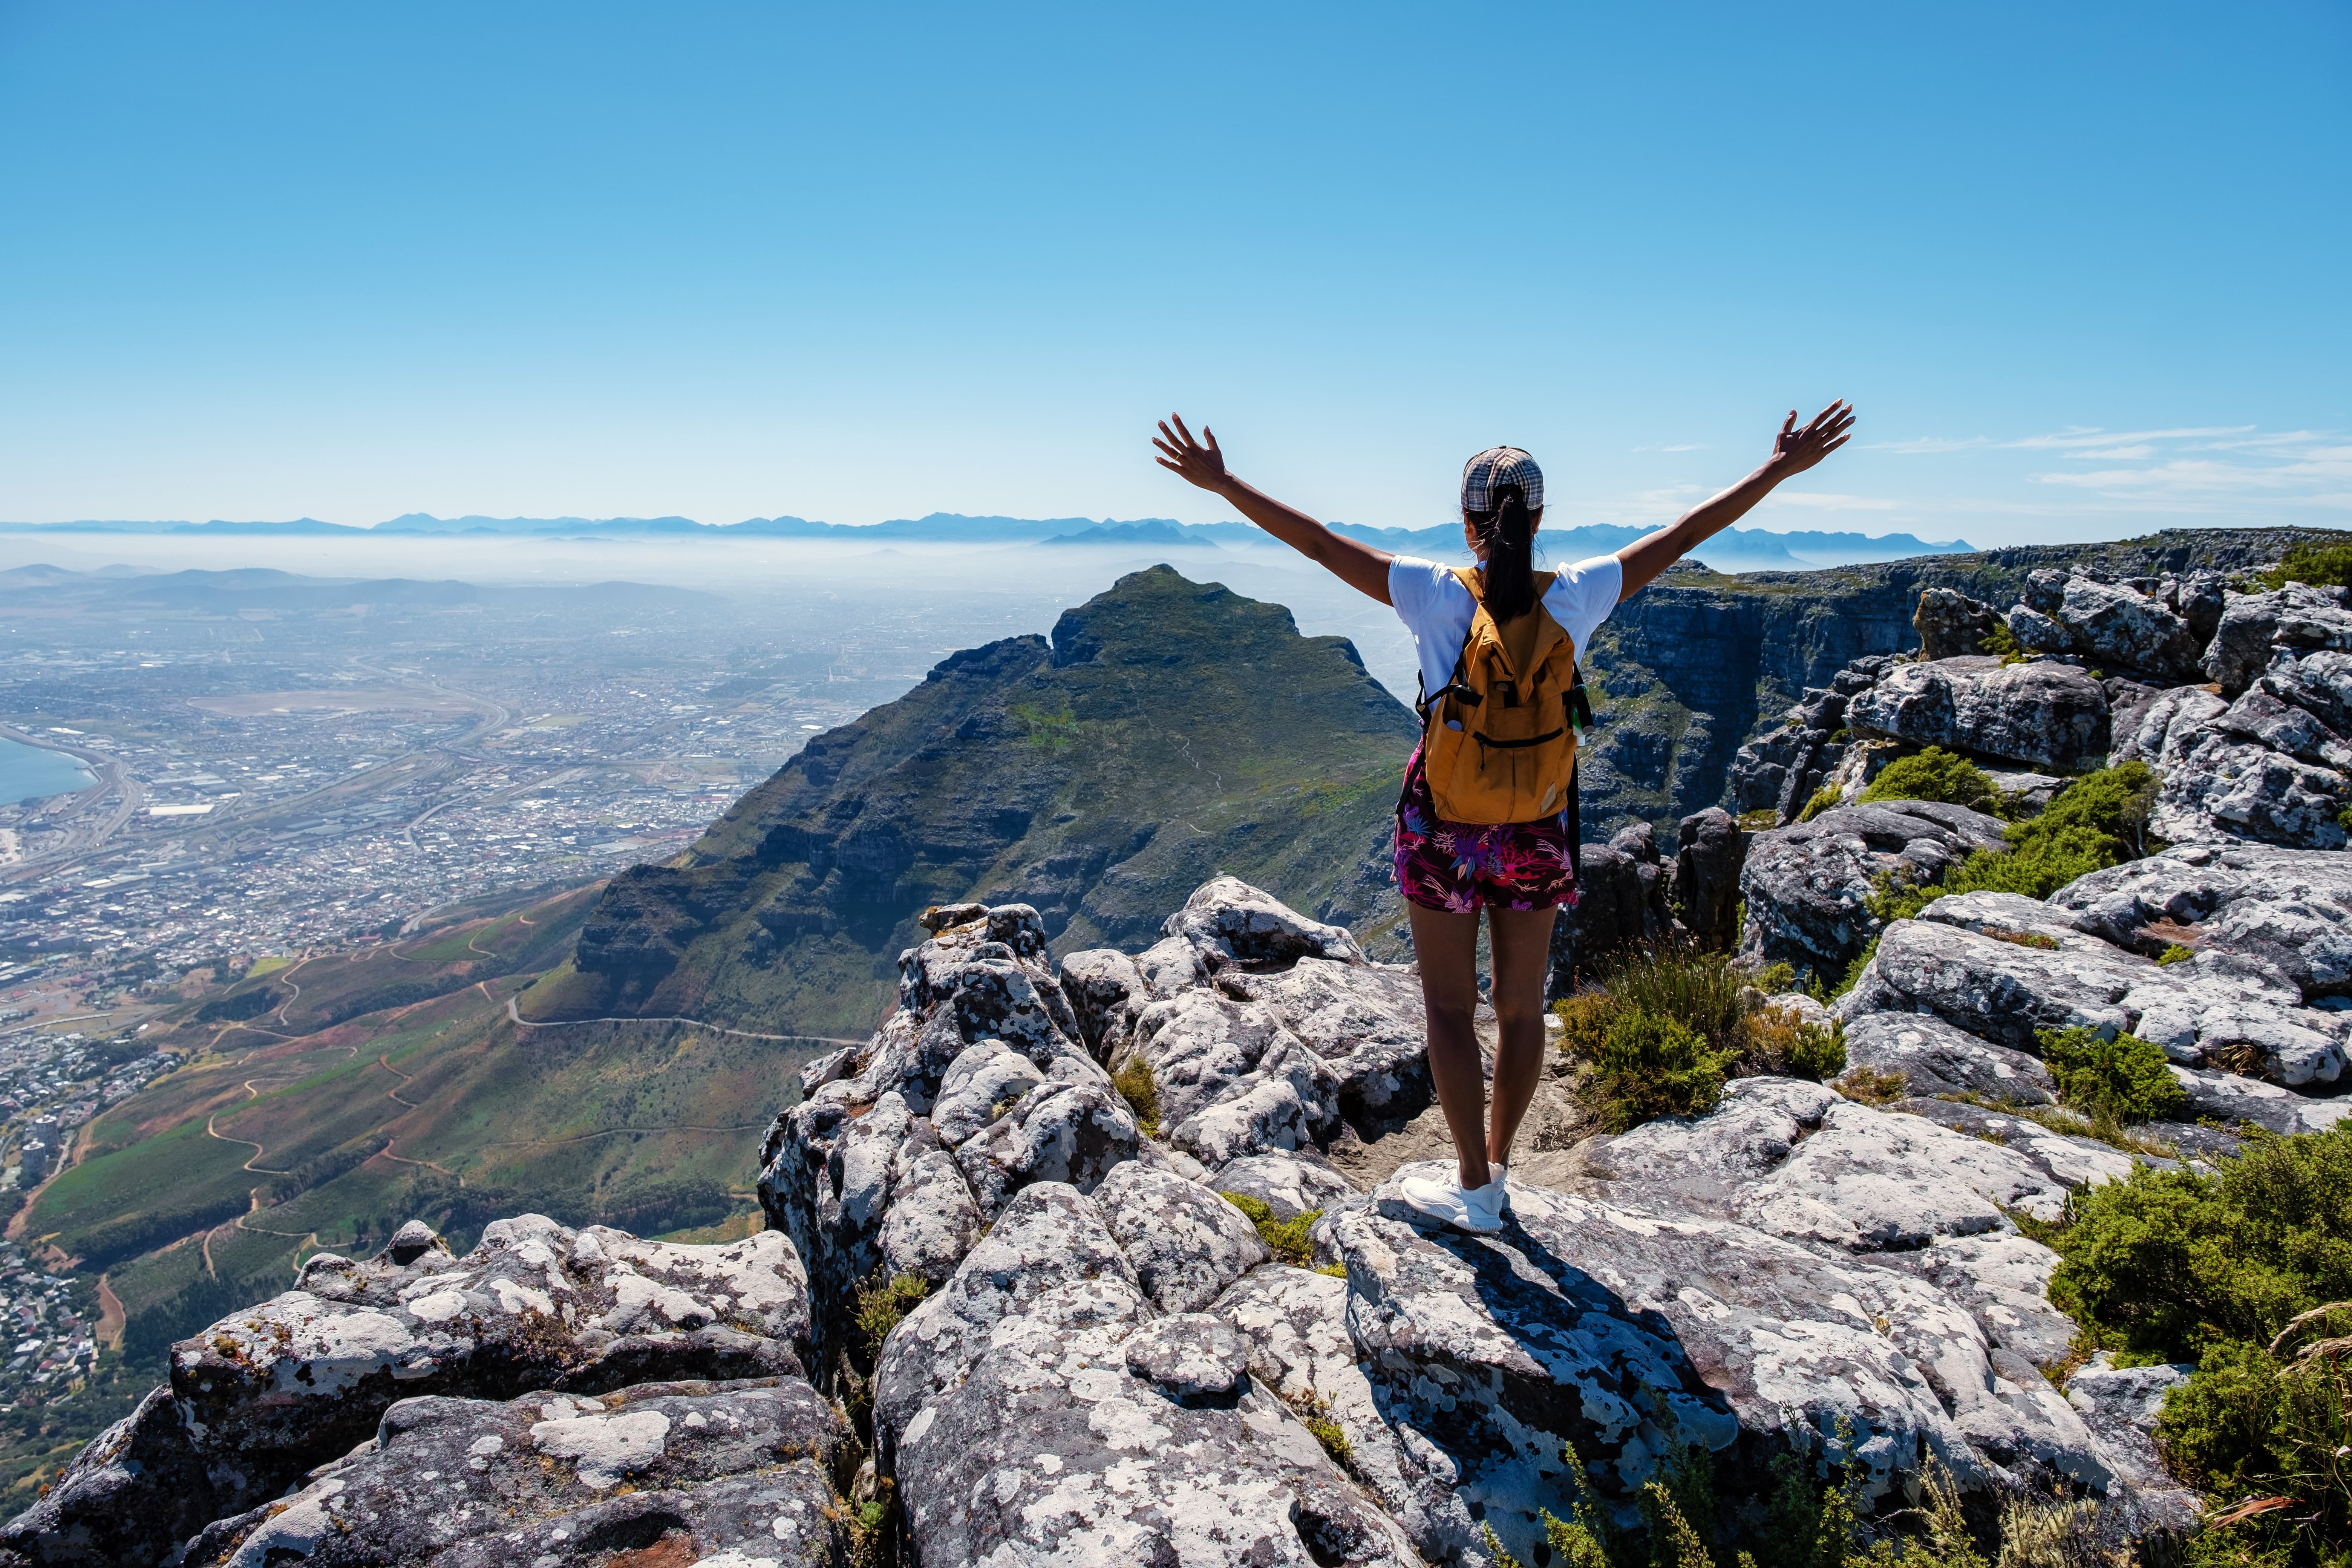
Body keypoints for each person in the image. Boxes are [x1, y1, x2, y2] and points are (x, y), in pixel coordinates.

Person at [1153, 401, 1856, 1232]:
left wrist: (1223, 480)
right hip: (1537, 827)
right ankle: (1504, 1166)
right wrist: (1776, 469)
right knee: (1521, 1006)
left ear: (1467, 521)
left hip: (1443, 827)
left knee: (1449, 1009)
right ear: (1542, 517)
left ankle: (1473, 1186)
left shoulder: (1431, 591)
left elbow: (1315, 543)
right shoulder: (1580, 595)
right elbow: (1684, 535)